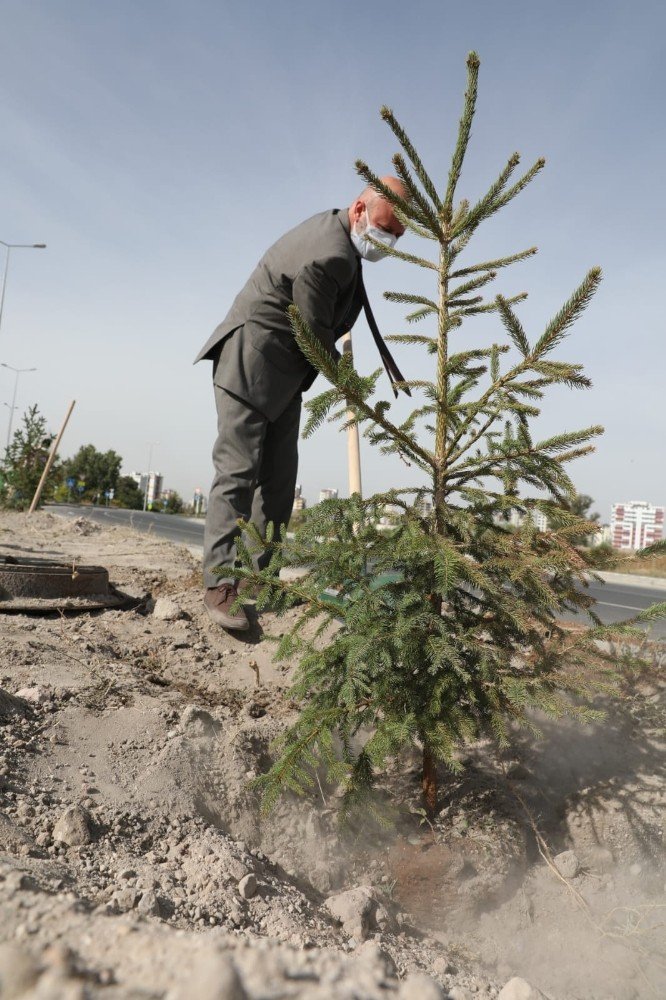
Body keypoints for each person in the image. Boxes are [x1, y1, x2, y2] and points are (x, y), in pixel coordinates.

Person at [194, 176, 408, 630]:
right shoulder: (330, 253)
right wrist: (349, 383)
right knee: (237, 473)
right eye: (385, 228)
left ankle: (260, 581)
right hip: (250, 361)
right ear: (359, 210)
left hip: (284, 373)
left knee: (278, 482)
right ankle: (219, 586)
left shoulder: (343, 244)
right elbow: (312, 334)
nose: (389, 241)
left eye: (398, 234)